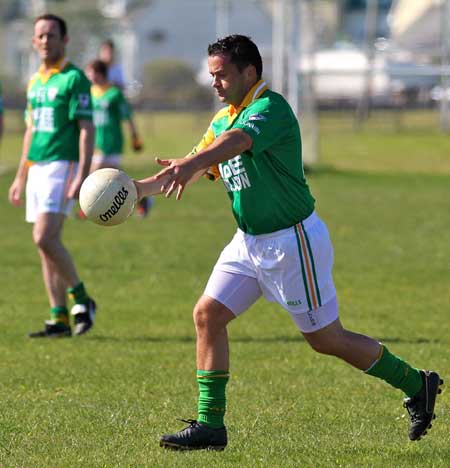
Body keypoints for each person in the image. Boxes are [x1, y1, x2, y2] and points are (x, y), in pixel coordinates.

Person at [133, 35, 443, 451]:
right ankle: (210, 426)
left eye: (221, 74)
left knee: (326, 340)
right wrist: (134, 190)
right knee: (207, 315)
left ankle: (416, 383)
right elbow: (186, 170)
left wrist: (194, 161)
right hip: (248, 243)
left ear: (249, 72)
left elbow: (237, 143)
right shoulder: (223, 119)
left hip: (292, 242)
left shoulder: (270, 108)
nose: (215, 83)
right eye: (212, 75)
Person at [8, 13, 97, 338]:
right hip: (37, 168)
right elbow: (30, 131)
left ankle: (82, 299)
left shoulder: (74, 79)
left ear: (65, 40)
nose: (46, 41)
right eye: (41, 36)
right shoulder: (35, 82)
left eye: (52, 35)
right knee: (46, 246)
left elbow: (87, 129)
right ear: (34, 42)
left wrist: (82, 174)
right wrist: (20, 175)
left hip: (63, 165)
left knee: (44, 237)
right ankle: (58, 317)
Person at [83, 59, 152, 217]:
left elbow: (127, 117)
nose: (88, 76)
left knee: (94, 174)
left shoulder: (114, 94)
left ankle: (88, 206)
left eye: (90, 73)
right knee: (116, 179)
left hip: (111, 142)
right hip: (96, 142)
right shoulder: (91, 92)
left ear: (99, 74)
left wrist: (135, 136)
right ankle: (143, 197)